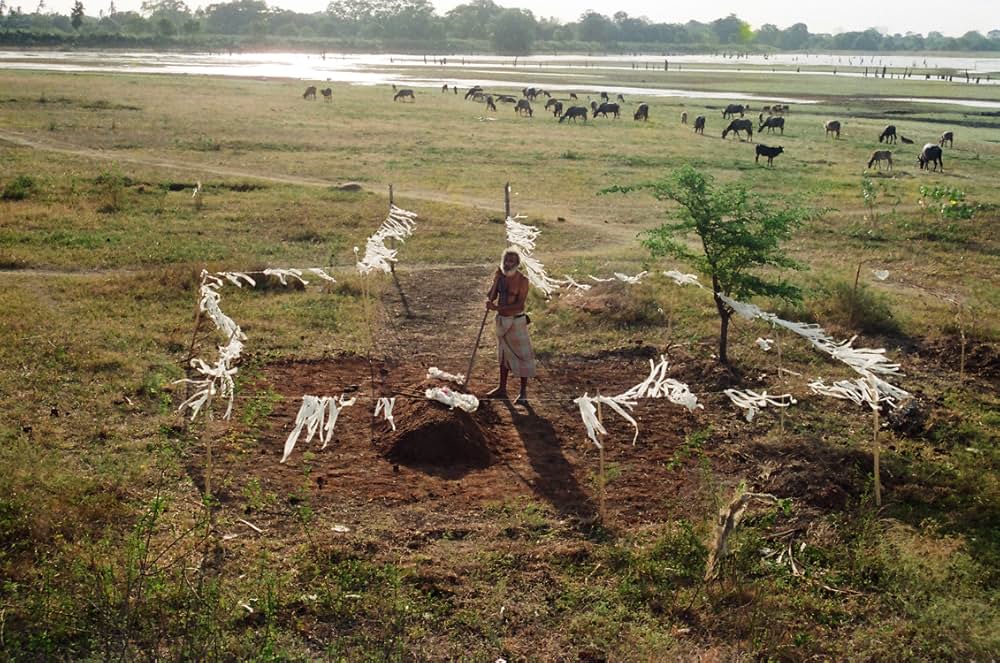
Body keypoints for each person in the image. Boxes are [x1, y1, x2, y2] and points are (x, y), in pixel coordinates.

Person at [485, 248, 536, 405]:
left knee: (522, 356)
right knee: (503, 355)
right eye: (506, 260)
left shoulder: (523, 280)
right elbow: (491, 296)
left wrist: (497, 309)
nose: (508, 264)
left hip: (516, 321)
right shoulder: (500, 277)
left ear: (517, 264)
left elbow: (520, 305)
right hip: (502, 321)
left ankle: (523, 393)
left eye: (512, 261)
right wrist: (495, 281)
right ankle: (502, 389)